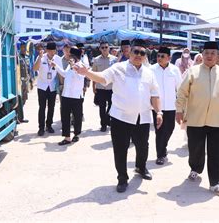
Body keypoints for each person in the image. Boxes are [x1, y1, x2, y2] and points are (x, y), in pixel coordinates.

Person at [74, 39, 162, 193]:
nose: (139, 55)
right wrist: (86, 73)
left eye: (142, 53)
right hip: (120, 118)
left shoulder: (149, 73)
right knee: (120, 149)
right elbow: (102, 78)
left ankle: (141, 167)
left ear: (145, 55)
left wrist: (159, 112)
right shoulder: (118, 68)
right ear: (130, 52)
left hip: (143, 117)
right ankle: (122, 178)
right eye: (136, 52)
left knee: (143, 147)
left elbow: (155, 95)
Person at [175, 41, 219, 197]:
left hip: (217, 119)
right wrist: (179, 110)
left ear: (218, 56)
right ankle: (195, 168)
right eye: (207, 53)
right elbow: (182, 93)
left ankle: (215, 182)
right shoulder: (192, 72)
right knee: (196, 149)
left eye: (213, 53)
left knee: (216, 151)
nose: (210, 56)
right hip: (195, 118)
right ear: (202, 54)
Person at [151, 46, 182, 165]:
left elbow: (179, 88)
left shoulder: (175, 70)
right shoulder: (152, 69)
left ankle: (163, 147)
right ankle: (160, 155)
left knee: (169, 129)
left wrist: (181, 105)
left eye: (162, 56)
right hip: (156, 106)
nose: (159, 58)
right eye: (158, 56)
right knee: (159, 131)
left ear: (169, 58)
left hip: (171, 106)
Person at [54, 47, 85, 145]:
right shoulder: (69, 66)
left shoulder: (81, 66)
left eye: (71, 56)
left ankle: (76, 135)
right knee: (65, 117)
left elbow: (80, 77)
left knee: (77, 117)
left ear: (75, 57)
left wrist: (73, 67)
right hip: (66, 95)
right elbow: (64, 74)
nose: (69, 57)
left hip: (76, 96)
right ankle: (67, 137)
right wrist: (55, 66)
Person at [32, 42, 61, 136]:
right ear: (47, 50)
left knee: (51, 107)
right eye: (51, 50)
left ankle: (49, 125)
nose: (53, 52)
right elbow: (34, 68)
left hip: (52, 85)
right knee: (42, 107)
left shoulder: (58, 59)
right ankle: (41, 127)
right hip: (42, 85)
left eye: (54, 50)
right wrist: (39, 57)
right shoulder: (41, 57)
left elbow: (60, 72)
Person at [92, 41, 117, 132]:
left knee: (112, 106)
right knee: (102, 107)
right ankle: (103, 124)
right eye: (102, 47)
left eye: (106, 47)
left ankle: (107, 119)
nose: (104, 49)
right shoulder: (96, 60)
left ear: (109, 48)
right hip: (100, 87)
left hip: (111, 88)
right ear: (100, 49)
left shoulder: (115, 59)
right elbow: (94, 74)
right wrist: (93, 87)